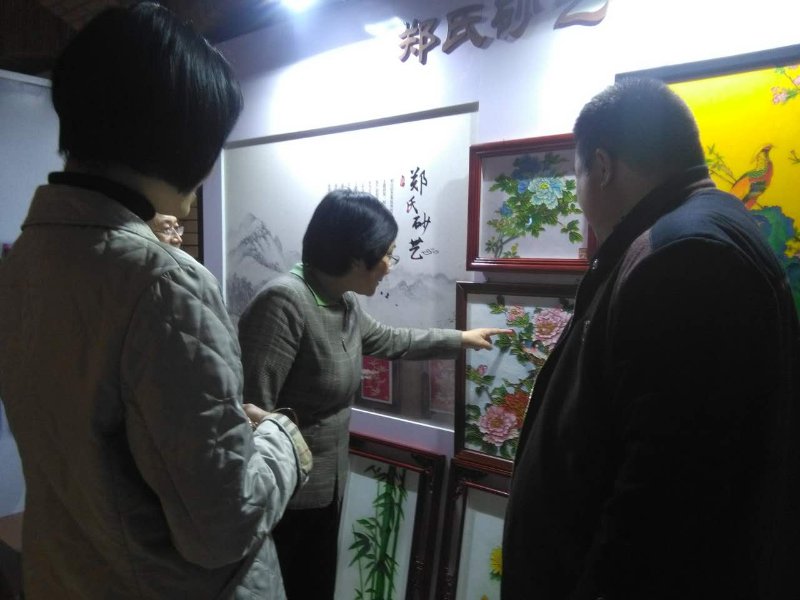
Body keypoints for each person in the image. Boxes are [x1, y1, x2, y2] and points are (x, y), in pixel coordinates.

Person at [0, 4, 311, 599]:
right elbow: (221, 527)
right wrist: (283, 441)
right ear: (185, 143)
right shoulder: (164, 285)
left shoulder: (25, 261)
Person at [502, 77, 800, 600]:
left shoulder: (685, 255)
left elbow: (661, 503)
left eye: (576, 175)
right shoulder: (699, 229)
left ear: (601, 166)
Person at [238, 189, 510, 599]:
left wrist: (461, 339)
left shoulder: (342, 303)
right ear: (354, 258)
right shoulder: (284, 303)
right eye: (386, 254)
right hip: (282, 501)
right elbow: (251, 411)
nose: (389, 266)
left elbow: (392, 339)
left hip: (324, 488)